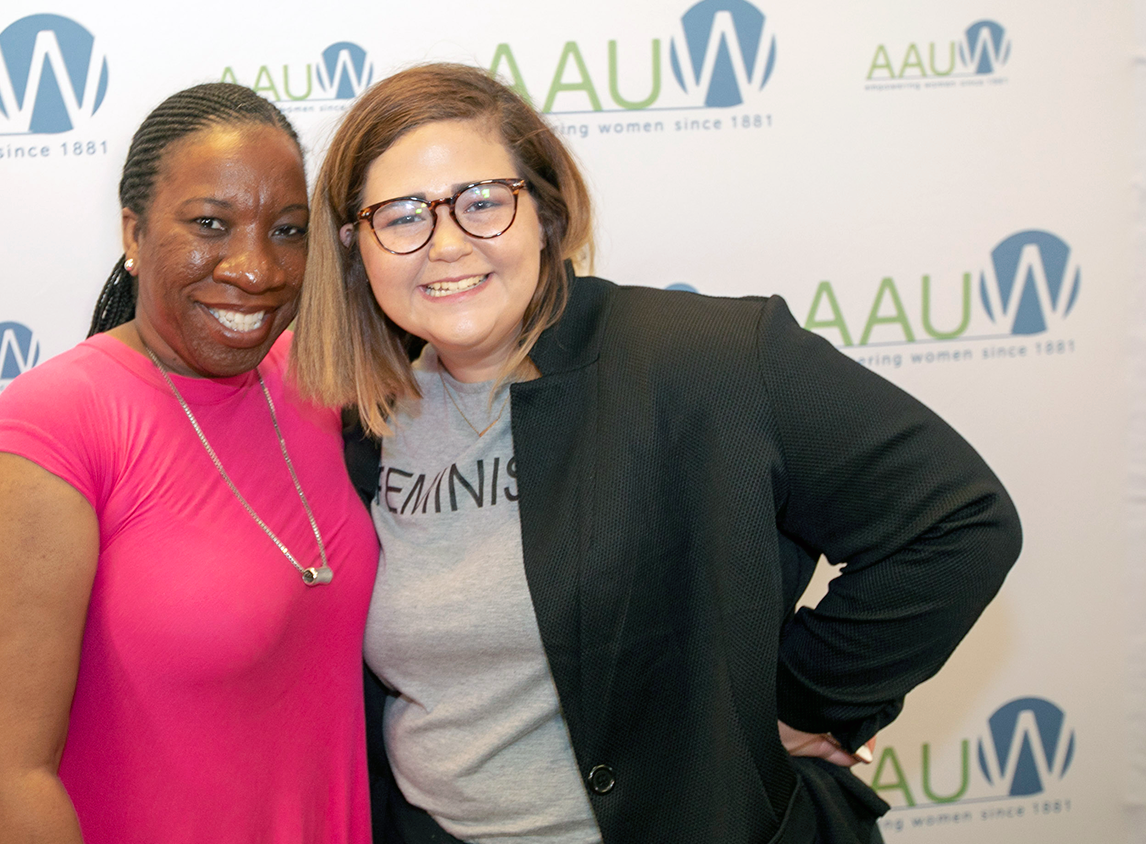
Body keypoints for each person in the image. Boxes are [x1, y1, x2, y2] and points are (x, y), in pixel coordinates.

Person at [291, 64, 1022, 844]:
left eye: (481, 203)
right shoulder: (362, 423)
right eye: (401, 216)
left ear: (543, 210)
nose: (445, 244)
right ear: (354, 249)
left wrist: (802, 702)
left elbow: (957, 522)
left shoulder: (710, 361)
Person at [0, 83, 379, 844]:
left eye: (286, 230)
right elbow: (1, 776)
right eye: (211, 224)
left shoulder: (313, 384)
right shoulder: (57, 422)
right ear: (134, 232)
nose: (255, 267)